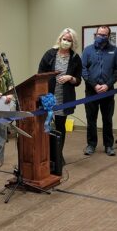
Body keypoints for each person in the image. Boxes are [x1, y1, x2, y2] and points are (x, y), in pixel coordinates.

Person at [38, 28, 82, 163]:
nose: (66, 42)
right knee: (46, 126)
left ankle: (58, 154)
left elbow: (78, 79)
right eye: (64, 39)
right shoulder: (49, 54)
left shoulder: (75, 58)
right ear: (60, 39)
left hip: (65, 97)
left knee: (60, 126)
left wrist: (70, 77)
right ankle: (47, 154)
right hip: (48, 96)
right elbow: (40, 74)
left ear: (73, 42)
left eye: (69, 40)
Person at [82, 25, 117, 156]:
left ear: (108, 36)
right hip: (91, 91)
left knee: (107, 119)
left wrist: (107, 85)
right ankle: (91, 144)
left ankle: (108, 145)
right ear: (95, 35)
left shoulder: (114, 51)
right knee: (91, 119)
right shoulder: (87, 50)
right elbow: (84, 70)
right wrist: (94, 85)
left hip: (108, 91)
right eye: (99, 34)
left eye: (104, 35)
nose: (101, 37)